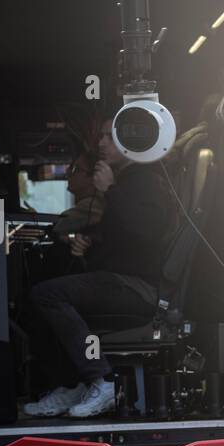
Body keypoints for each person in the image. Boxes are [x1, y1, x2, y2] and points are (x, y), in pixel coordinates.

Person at [23, 126, 177, 419]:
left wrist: (110, 190)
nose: (101, 142)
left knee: (48, 294)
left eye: (109, 135)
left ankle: (102, 380)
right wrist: (89, 247)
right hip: (120, 280)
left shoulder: (146, 181)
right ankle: (74, 384)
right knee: (47, 292)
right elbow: (123, 242)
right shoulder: (128, 181)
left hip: (138, 288)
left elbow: (145, 234)